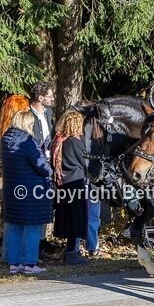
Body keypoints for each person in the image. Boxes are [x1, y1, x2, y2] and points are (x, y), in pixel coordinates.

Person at [1, 110, 53, 274]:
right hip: (32, 191)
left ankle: (13, 262)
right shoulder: (28, 142)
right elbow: (43, 167)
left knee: (14, 225)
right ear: (26, 124)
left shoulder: (5, 140)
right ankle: (29, 263)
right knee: (32, 226)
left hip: (13, 190)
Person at [52, 110, 90, 265]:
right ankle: (72, 253)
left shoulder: (58, 140)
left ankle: (69, 251)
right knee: (76, 219)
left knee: (66, 218)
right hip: (77, 182)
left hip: (62, 184)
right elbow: (85, 163)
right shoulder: (78, 142)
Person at [28, 81, 55, 159]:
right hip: (36, 158)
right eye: (50, 96)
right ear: (40, 98)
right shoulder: (27, 116)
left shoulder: (49, 111)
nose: (52, 99)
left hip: (50, 158)